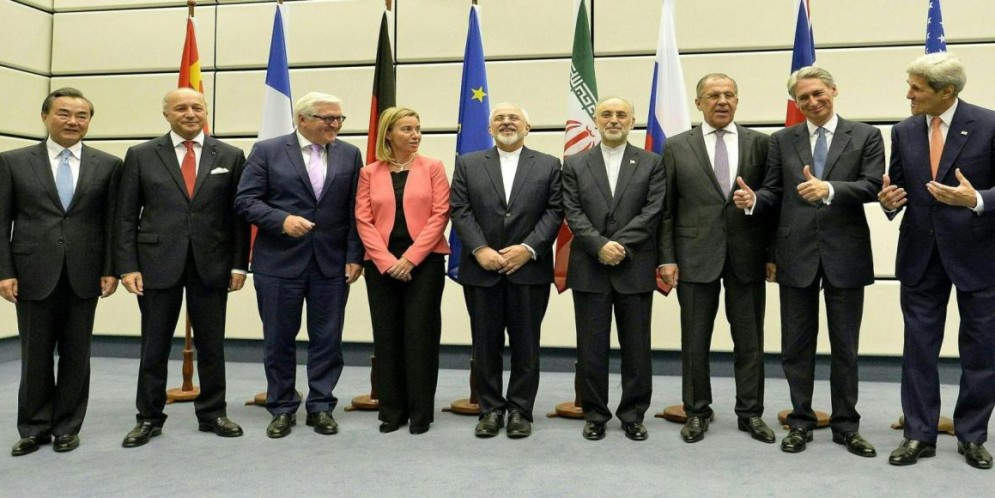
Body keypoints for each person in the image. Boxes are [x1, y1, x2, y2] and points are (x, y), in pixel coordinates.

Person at [733, 66, 883, 457]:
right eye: (804, 98)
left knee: (845, 347)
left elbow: (872, 185)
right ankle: (800, 422)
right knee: (796, 346)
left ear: (834, 90)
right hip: (794, 253)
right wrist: (754, 200)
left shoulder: (865, 135)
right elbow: (774, 192)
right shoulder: (782, 139)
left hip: (846, 253)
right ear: (796, 103)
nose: (813, 102)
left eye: (819, 93)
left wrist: (828, 189)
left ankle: (846, 426)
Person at [879, 52, 995, 470]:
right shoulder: (903, 130)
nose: (908, 95)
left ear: (946, 92)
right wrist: (888, 201)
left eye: (917, 88)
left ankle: (972, 435)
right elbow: (897, 187)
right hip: (920, 255)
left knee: (981, 349)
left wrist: (975, 199)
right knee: (918, 348)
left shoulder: (989, 124)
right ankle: (918, 434)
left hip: (978, 255)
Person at [116, 88, 250, 447]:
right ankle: (148, 417)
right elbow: (125, 216)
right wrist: (127, 266)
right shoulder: (141, 155)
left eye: (196, 107)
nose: (190, 113)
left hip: (213, 263)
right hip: (156, 263)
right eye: (180, 108)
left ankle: (213, 413)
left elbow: (239, 218)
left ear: (205, 111)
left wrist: (240, 265)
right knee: (154, 345)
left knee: (212, 344)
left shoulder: (231, 155)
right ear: (167, 114)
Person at [235, 92, 363, 438]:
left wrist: (355, 256)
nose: (335, 125)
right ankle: (281, 407)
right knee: (279, 339)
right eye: (328, 118)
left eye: (339, 119)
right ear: (303, 119)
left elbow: (356, 210)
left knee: (327, 339)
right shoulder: (268, 151)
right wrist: (281, 220)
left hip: (331, 263)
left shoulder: (350, 154)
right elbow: (245, 200)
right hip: (278, 262)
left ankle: (321, 406)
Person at [0, 88, 121, 456]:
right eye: (64, 113)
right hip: (32, 271)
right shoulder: (13, 162)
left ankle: (67, 426)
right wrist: (4, 271)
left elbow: (113, 223)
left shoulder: (108, 165)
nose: (73, 121)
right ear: (45, 117)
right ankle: (34, 427)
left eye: (81, 116)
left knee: (76, 354)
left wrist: (111, 269)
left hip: (86, 272)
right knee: (34, 354)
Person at [658, 74, 775, 444]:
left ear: (737, 100)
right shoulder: (676, 146)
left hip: (747, 255)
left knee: (750, 340)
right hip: (694, 256)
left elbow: (774, 201)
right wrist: (667, 258)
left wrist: (771, 252)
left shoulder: (762, 143)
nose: (722, 101)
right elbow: (667, 208)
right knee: (695, 341)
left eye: (729, 95)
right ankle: (696, 411)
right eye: (713, 95)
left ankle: (751, 413)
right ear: (699, 103)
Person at [450, 103, 563, 439]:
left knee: (527, 345)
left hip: (529, 270)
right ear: (490, 129)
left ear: (528, 127)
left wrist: (528, 249)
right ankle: (490, 410)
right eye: (499, 118)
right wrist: (480, 249)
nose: (507, 122)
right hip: (481, 270)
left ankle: (520, 410)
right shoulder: (468, 164)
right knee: (485, 345)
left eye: (514, 118)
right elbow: (460, 210)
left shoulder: (549, 164)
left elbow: (555, 211)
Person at [561, 97, 665, 441]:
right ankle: (595, 414)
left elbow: (653, 210)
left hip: (634, 266)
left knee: (637, 348)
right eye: (607, 114)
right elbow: (572, 210)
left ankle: (633, 415)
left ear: (632, 121)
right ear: (596, 120)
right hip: (589, 267)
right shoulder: (575, 163)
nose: (614, 119)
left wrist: (619, 245)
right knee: (591, 348)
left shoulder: (652, 162)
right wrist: (599, 245)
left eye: (622, 114)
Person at [355, 107, 450, 435]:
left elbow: (440, 215)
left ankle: (421, 412)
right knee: (387, 337)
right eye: (407, 129)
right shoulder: (369, 173)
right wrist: (386, 261)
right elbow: (363, 220)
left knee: (420, 336)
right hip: (381, 266)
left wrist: (409, 259)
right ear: (389, 134)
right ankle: (391, 411)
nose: (415, 135)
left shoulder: (433, 167)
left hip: (424, 263)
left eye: (417, 129)